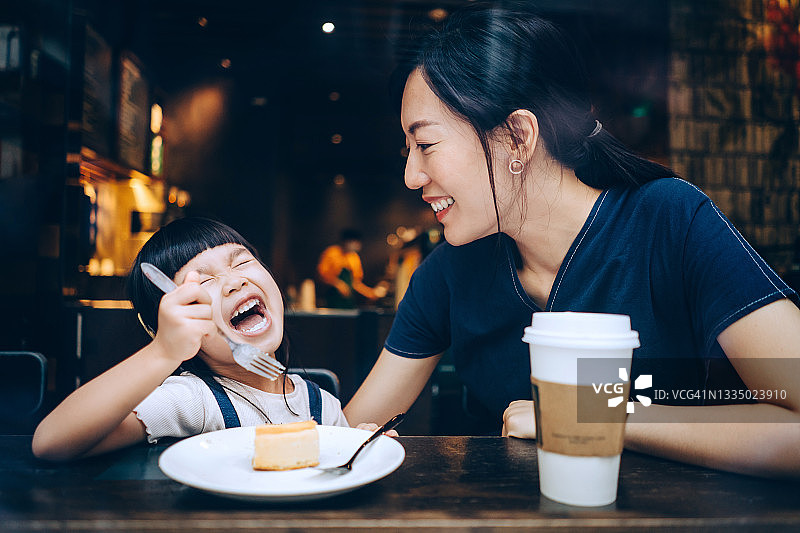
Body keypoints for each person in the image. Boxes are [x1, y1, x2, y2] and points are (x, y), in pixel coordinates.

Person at [344, 4, 800, 477]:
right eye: (408, 149)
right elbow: (350, 438)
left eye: (426, 145)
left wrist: (593, 416)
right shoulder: (449, 272)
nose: (411, 175)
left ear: (518, 136)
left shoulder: (668, 221)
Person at [32, 218, 382, 461]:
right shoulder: (194, 400)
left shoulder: (323, 405)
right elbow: (53, 443)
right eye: (201, 282)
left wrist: (365, 448)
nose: (233, 282)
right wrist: (162, 353)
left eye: (241, 262)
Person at [317, 228, 382, 308]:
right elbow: (322, 275)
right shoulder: (331, 253)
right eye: (355, 243)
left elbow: (355, 283)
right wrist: (338, 284)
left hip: (348, 300)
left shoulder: (354, 257)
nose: (358, 246)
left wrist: (370, 293)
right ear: (346, 242)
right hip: (332, 299)